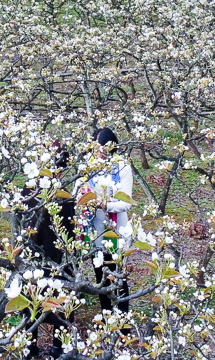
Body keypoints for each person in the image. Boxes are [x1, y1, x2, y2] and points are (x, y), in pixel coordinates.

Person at [18, 148, 77, 358]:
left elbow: (20, 224)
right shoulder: (63, 195)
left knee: (30, 299)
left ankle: (30, 344)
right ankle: (57, 346)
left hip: (32, 257)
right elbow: (70, 230)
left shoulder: (27, 191)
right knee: (59, 301)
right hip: (57, 259)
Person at [80, 128, 132, 315]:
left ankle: (123, 321)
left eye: (103, 147)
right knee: (100, 274)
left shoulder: (123, 168)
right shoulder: (86, 168)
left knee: (118, 276)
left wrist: (103, 205)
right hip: (95, 231)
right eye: (96, 147)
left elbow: (125, 203)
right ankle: (106, 316)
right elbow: (77, 194)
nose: (99, 151)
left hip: (117, 231)